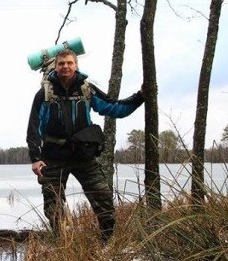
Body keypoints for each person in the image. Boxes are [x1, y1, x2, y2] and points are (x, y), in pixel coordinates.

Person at [26, 49, 144, 243]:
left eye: (69, 63)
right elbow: (33, 127)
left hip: (83, 156)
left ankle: (107, 244)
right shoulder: (45, 93)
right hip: (53, 158)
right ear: (56, 66)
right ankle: (63, 246)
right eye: (62, 63)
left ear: (76, 65)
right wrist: (36, 159)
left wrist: (140, 96)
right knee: (53, 207)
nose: (65, 66)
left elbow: (114, 108)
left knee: (103, 199)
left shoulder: (86, 89)